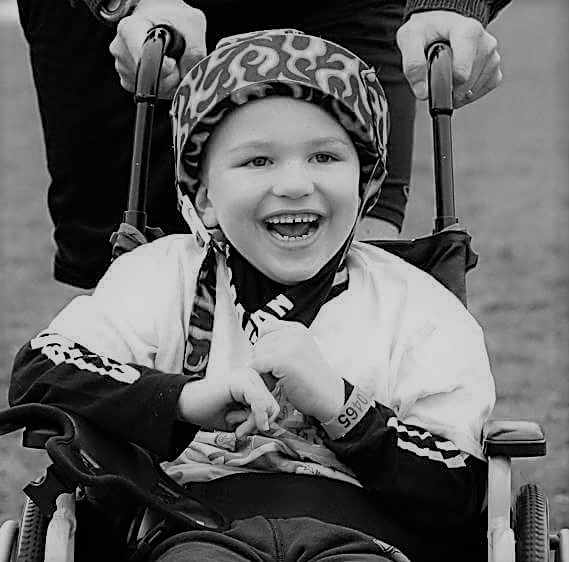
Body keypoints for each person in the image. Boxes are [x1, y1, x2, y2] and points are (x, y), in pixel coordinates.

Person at [10, 30, 495, 562]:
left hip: (362, 536)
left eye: (325, 157)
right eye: (257, 161)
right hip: (187, 524)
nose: (293, 184)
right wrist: (183, 401)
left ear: (368, 186)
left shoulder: (416, 308)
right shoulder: (159, 276)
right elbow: (42, 370)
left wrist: (342, 408)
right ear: (204, 196)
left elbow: (461, 490)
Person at [17, 0, 508, 289]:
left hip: (346, 8)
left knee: (352, 258)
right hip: (138, 19)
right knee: (136, 275)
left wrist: (452, 5)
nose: (293, 184)